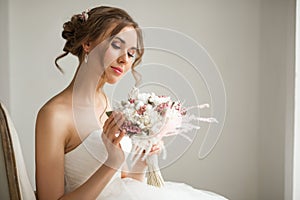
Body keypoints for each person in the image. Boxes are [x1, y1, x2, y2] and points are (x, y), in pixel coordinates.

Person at [35, 5, 228, 200]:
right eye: (116, 46)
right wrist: (112, 163)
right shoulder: (54, 116)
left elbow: (121, 182)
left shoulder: (104, 102)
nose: (124, 60)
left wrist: (142, 162)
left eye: (131, 53)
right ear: (87, 43)